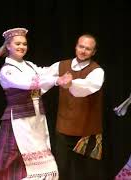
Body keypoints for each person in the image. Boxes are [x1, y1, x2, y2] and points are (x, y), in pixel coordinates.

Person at [0, 27, 61, 179]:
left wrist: (66, 65)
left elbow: (44, 72)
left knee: (33, 162)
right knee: (4, 160)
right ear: (8, 46)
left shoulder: (29, 65)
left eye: (24, 44)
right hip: (18, 121)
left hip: (35, 119)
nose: (22, 47)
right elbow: (29, 83)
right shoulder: (7, 71)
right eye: (18, 44)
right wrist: (56, 80)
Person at [47, 34, 105, 180]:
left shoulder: (97, 71)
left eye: (88, 48)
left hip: (87, 131)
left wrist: (71, 83)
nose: (83, 51)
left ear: (93, 52)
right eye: (81, 46)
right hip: (64, 127)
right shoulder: (60, 66)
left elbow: (89, 86)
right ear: (76, 47)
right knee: (62, 169)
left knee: (86, 173)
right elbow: (43, 77)